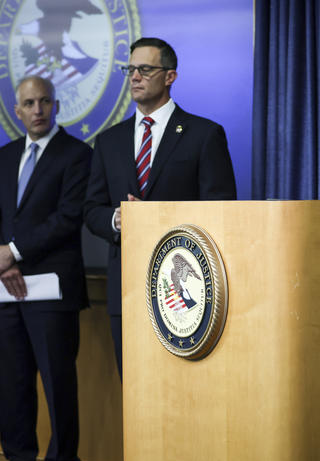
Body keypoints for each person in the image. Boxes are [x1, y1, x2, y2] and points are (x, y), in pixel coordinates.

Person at [83, 37, 237, 375]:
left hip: (187, 291)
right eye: (130, 69)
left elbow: (222, 209)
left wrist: (159, 218)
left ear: (170, 76)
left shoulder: (203, 134)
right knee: (133, 387)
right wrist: (117, 219)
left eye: (145, 69)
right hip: (127, 286)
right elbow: (91, 210)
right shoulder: (108, 141)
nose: (135, 77)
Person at [0, 75, 91, 461]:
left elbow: (68, 218)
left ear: (57, 106)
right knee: (12, 384)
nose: (38, 110)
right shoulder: (6, 155)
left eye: (45, 102)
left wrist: (12, 252)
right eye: (29, 103)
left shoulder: (77, 154)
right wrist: (0, 260)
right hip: (8, 288)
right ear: (17, 111)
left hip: (52, 290)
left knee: (57, 384)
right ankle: (18, 460)